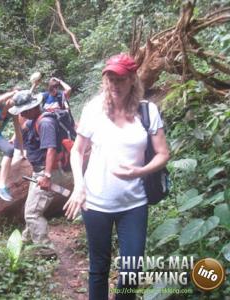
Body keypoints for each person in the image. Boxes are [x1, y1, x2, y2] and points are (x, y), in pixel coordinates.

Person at [63, 54, 170, 300]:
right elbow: (77, 151)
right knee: (99, 268)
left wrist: (139, 171)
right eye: (110, 78)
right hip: (95, 202)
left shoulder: (147, 111)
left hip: (134, 204)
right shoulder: (93, 109)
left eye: (120, 79)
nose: (114, 84)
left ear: (133, 79)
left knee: (131, 270)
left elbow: (163, 154)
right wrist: (79, 187)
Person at [8, 90, 68, 255]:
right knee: (31, 208)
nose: (22, 114)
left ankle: (46, 252)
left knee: (32, 213)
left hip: (47, 173)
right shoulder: (34, 119)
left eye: (23, 111)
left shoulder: (45, 123)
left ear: (31, 108)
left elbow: (51, 150)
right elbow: (22, 129)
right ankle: (26, 240)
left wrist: (47, 176)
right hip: (39, 172)